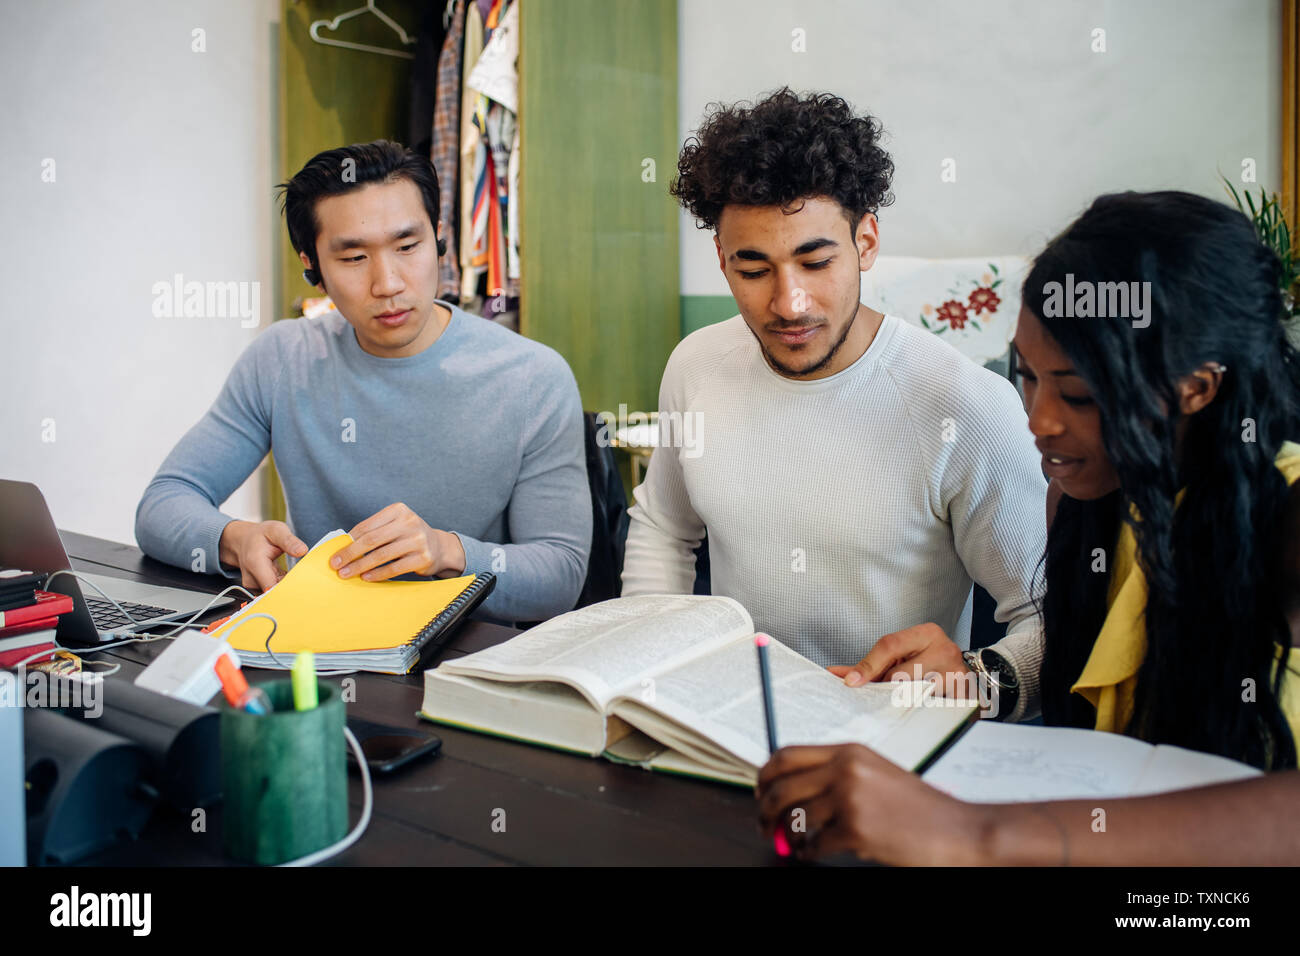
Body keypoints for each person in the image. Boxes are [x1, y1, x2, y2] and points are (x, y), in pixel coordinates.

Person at [757, 191, 1300, 864]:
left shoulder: (1287, 518)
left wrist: (972, 835)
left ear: (1197, 387)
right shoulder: (1086, 492)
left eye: (1076, 394)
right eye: (1027, 376)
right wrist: (974, 682)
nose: (1039, 420)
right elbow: (1098, 683)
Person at [621, 88, 1047, 676]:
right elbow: (666, 529)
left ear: (865, 242)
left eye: (816, 263)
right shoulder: (696, 366)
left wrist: (976, 681)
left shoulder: (965, 404)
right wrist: (648, 668)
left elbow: (1046, 617)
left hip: (889, 739)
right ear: (722, 258)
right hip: (730, 723)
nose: (789, 303)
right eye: (753, 269)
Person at [135, 140, 591, 623]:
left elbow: (560, 576)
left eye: (408, 246)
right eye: (354, 259)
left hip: (467, 666)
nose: (388, 283)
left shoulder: (532, 378)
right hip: (322, 650)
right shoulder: (282, 359)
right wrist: (235, 539)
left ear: (438, 237)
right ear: (311, 264)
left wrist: (446, 552)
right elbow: (162, 505)